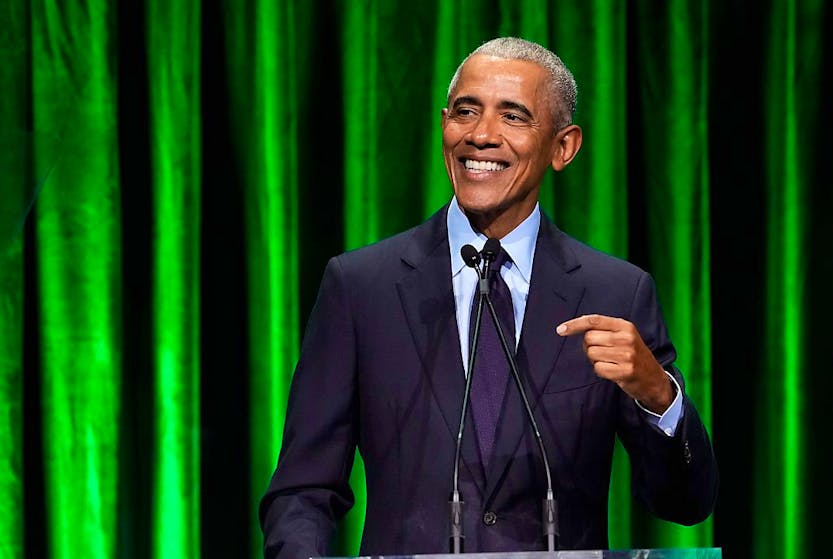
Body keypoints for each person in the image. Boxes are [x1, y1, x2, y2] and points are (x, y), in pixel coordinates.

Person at [260, 37, 718, 559]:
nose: (480, 135)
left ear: (563, 147)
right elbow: (303, 489)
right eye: (465, 111)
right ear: (444, 126)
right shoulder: (362, 287)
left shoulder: (615, 293)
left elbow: (686, 503)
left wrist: (659, 397)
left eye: (513, 116)